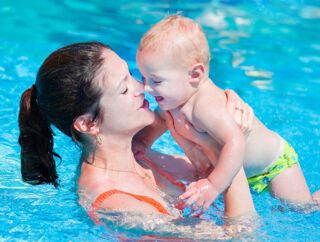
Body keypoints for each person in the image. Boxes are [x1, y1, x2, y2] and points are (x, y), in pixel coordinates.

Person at [18, 42, 256, 239]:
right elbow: (242, 236)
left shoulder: (134, 154)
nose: (141, 87)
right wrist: (231, 142)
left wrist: (217, 106)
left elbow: (207, 172)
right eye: (124, 89)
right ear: (89, 124)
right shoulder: (118, 206)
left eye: (130, 74)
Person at [135, 15, 319, 211]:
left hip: (274, 167)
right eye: (143, 77)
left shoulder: (205, 106)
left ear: (195, 75)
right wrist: (140, 144)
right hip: (240, 173)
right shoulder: (172, 100)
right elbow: (154, 126)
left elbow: (235, 141)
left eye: (156, 81)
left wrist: (213, 185)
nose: (146, 88)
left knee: (304, 208)